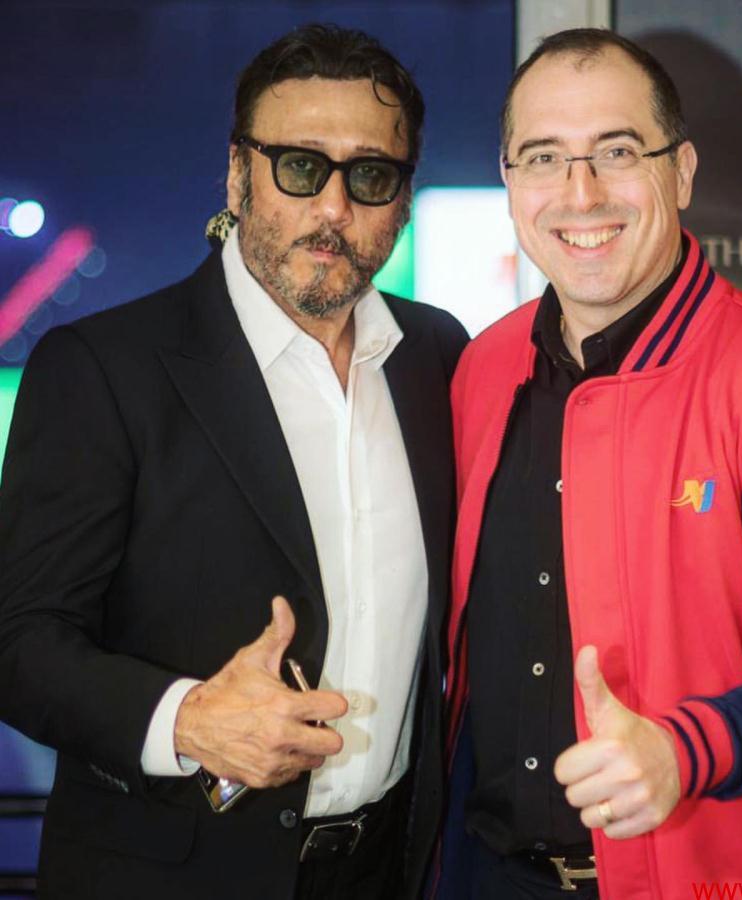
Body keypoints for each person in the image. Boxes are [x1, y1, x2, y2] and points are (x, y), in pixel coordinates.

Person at [0, 23, 467, 900]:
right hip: (169, 879)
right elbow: (18, 642)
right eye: (299, 166)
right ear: (237, 173)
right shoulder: (104, 367)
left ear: (403, 199)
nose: (334, 208)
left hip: (391, 872)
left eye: (370, 175)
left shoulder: (437, 355)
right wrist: (186, 720)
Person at [442, 28, 742, 898]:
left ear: (681, 172)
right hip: (483, 873)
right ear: (509, 181)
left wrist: (683, 750)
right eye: (544, 157)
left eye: (617, 152)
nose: (579, 193)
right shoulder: (482, 373)